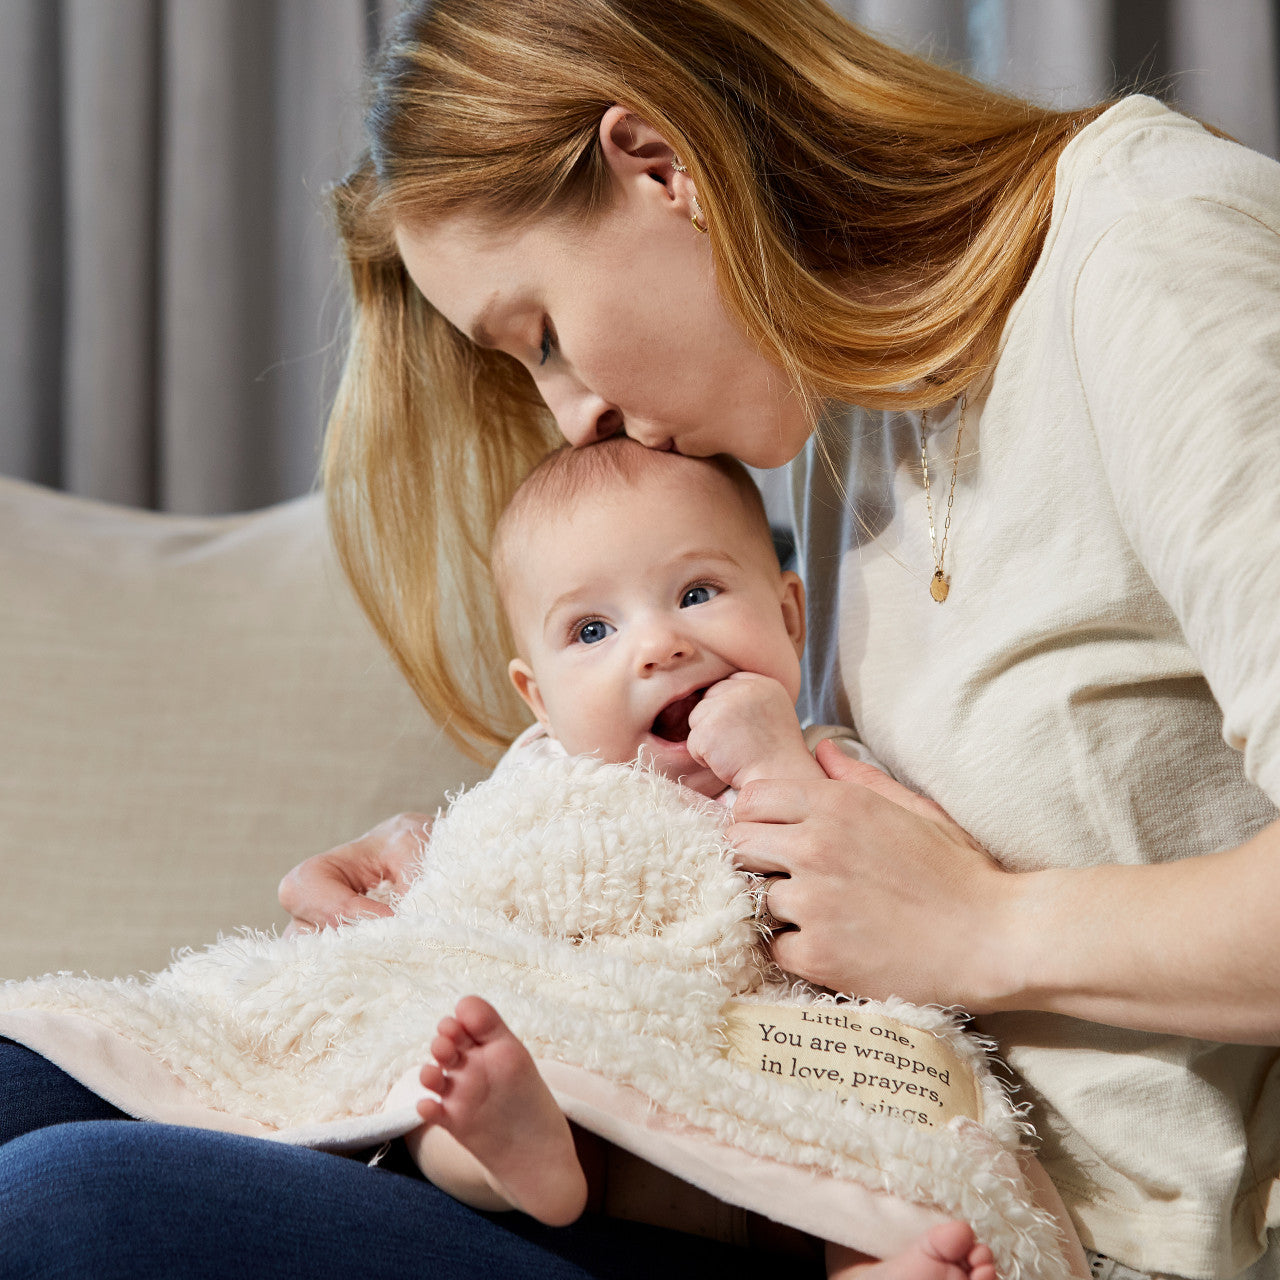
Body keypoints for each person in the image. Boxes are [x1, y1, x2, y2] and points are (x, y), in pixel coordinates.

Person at [4, 2, 1277, 1277]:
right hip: (763, 1156)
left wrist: (987, 927)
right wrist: (462, 870)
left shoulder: (1150, 248)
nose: (573, 417)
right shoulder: (853, 415)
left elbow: (921, 907)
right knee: (24, 1079)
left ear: (661, 165)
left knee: (73, 1206)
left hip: (1026, 1236)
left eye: (544, 336)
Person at [402, 433, 1004, 1279]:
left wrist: (770, 759)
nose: (659, 645)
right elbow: (482, 903)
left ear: (789, 616)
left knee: (903, 1132)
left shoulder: (828, 759)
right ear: (538, 697)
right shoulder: (544, 783)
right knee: (434, 1083)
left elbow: (887, 898)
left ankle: (872, 1265)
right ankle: (518, 1155)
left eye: (696, 592)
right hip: (608, 1108)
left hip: (786, 1109)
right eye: (592, 629)